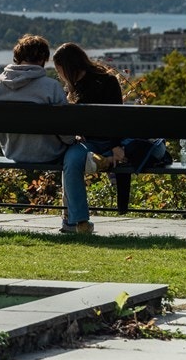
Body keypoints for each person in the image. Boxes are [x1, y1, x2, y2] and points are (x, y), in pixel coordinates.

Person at [51, 42, 130, 236]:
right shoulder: (77, 86)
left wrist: (117, 145)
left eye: (59, 70)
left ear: (67, 67)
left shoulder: (106, 81)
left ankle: (72, 220)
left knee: (71, 160)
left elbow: (117, 119)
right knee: (71, 161)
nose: (58, 74)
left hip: (109, 143)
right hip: (91, 144)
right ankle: (80, 221)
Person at [0, 34, 70, 163]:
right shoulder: (52, 86)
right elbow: (66, 134)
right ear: (42, 59)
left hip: (12, 154)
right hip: (49, 154)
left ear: (17, 57)